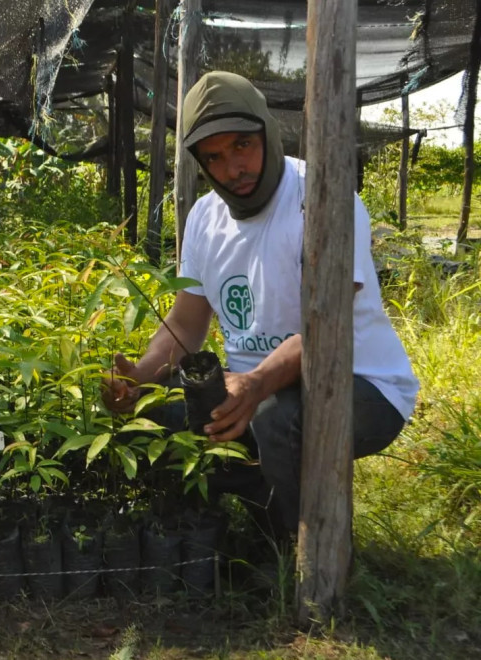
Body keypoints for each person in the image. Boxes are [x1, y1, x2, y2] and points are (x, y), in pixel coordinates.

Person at [102, 72, 419, 540]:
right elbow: (187, 323)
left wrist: (256, 383)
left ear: (268, 133)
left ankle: (306, 556)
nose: (233, 168)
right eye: (214, 156)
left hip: (361, 383)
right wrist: (139, 379)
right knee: (156, 415)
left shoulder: (322, 197)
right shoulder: (205, 217)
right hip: (248, 389)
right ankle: (244, 529)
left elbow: (325, 327)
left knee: (275, 420)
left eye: (243, 145)